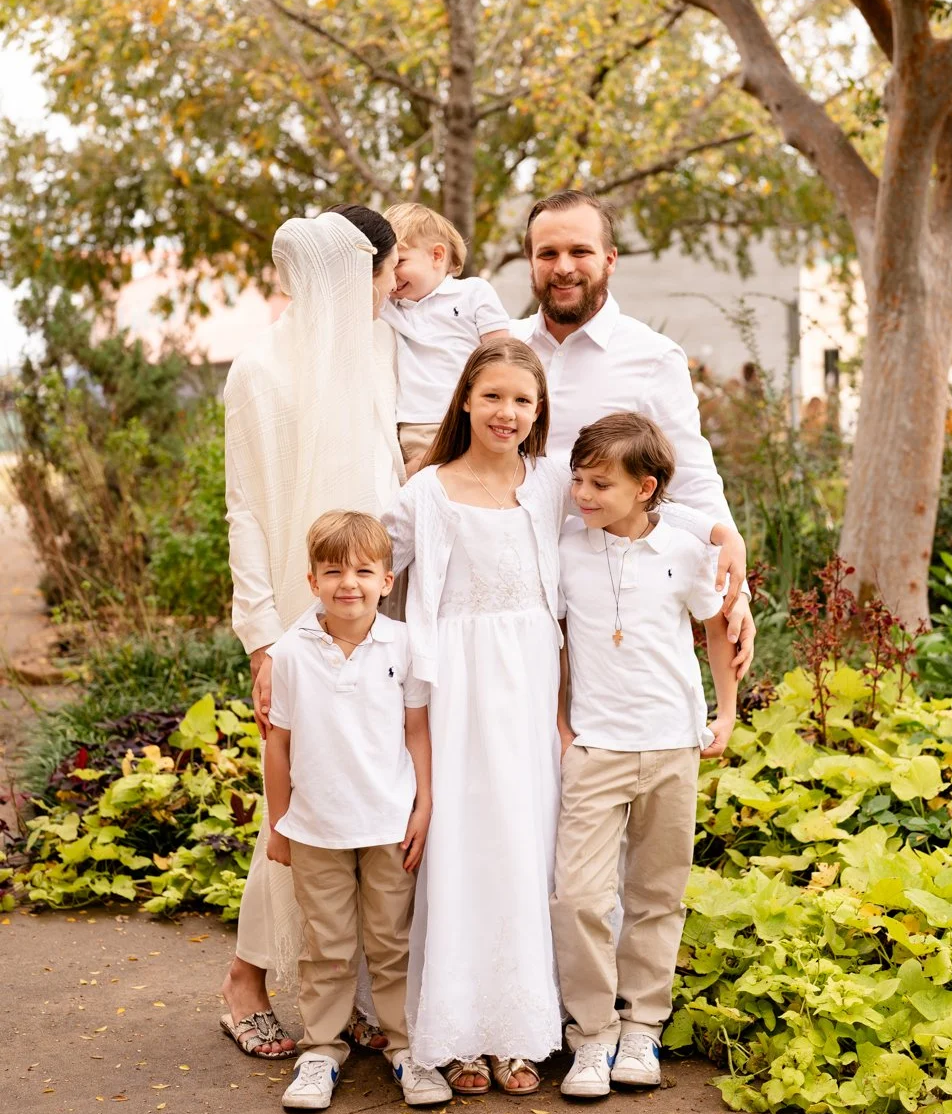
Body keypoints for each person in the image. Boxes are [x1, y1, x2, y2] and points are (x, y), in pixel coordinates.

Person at [220, 205, 404, 1059]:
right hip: (301, 619)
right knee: (293, 812)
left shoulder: (377, 354)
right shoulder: (261, 370)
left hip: (375, 613)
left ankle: (352, 992)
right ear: (352, 273)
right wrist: (263, 638)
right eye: (384, 274)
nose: (393, 288)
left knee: (362, 802)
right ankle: (245, 980)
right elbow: (248, 513)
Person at [381, 338, 565, 1096]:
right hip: (455, 690)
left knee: (526, 849)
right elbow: (369, 570)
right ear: (464, 400)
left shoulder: (552, 485)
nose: (507, 412)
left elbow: (607, 551)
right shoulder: (426, 493)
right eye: (493, 396)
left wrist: (718, 539)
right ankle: (457, 1034)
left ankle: (518, 1033)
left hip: (530, 690)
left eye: (523, 400)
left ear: (538, 412)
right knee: (463, 849)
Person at [552, 412, 738, 1097]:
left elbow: (718, 625)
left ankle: (642, 1030)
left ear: (646, 487)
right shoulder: (566, 546)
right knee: (579, 897)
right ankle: (592, 1036)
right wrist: (560, 723)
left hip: (671, 742)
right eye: (578, 478)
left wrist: (727, 710)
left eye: (601, 482)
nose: (583, 493)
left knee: (658, 895)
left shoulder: (686, 552)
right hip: (596, 745)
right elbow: (554, 639)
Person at [510, 189, 755, 676]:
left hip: (605, 595)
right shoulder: (502, 347)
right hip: (507, 583)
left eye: (579, 251)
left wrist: (735, 591)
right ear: (530, 260)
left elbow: (690, 476)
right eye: (548, 253)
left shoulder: (652, 356)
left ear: (610, 259)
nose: (563, 267)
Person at [264, 510, 451, 1110]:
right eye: (333, 571)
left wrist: (424, 805)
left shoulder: (402, 644)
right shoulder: (291, 653)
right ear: (313, 580)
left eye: (364, 571)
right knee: (328, 945)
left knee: (392, 942)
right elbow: (279, 744)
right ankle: (320, 1051)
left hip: (388, 824)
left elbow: (417, 730)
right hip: (316, 828)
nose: (349, 583)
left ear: (387, 581)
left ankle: (405, 1049)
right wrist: (278, 824)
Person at [382, 202, 509, 476]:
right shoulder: (390, 306)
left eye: (399, 263)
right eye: (384, 267)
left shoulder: (473, 293)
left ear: (437, 255)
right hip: (414, 424)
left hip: (466, 418)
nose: (391, 278)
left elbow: (502, 355)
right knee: (423, 491)